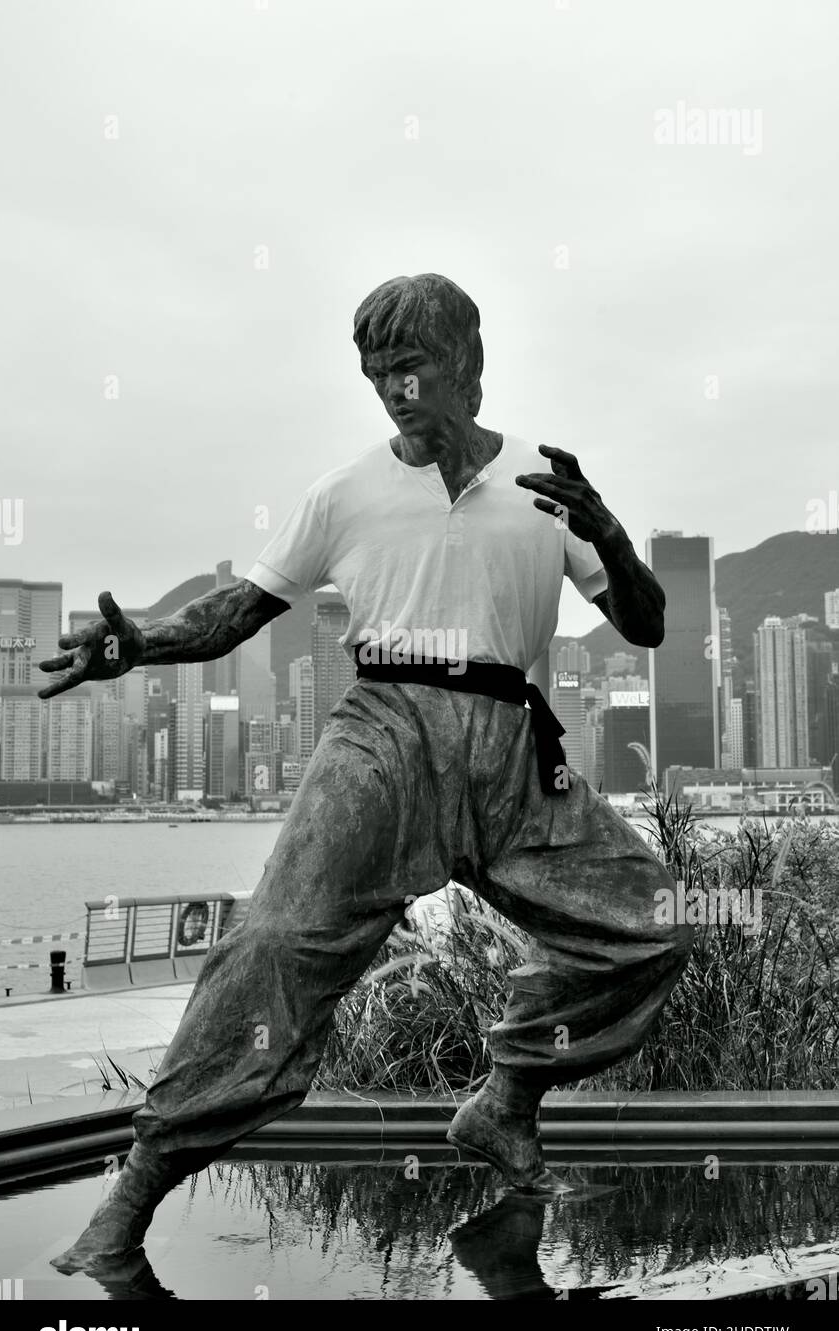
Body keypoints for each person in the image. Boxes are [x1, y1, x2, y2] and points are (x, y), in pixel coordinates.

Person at [39, 273, 691, 1274]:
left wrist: (603, 530)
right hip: (381, 735)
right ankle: (132, 1194)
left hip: (512, 745)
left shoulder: (543, 480)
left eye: (414, 365)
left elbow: (644, 624)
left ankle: (504, 1100)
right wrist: (141, 647)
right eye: (378, 373)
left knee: (652, 927)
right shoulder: (342, 492)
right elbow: (238, 612)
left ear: (469, 362)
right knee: (270, 950)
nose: (396, 390)